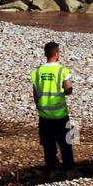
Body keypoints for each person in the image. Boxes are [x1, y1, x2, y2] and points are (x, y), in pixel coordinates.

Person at [30, 41, 74, 176]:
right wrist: (67, 89)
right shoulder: (62, 70)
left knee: (48, 145)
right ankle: (69, 169)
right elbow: (68, 90)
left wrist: (39, 108)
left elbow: (35, 94)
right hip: (60, 114)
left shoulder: (37, 72)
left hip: (44, 115)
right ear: (56, 54)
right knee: (66, 142)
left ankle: (51, 170)